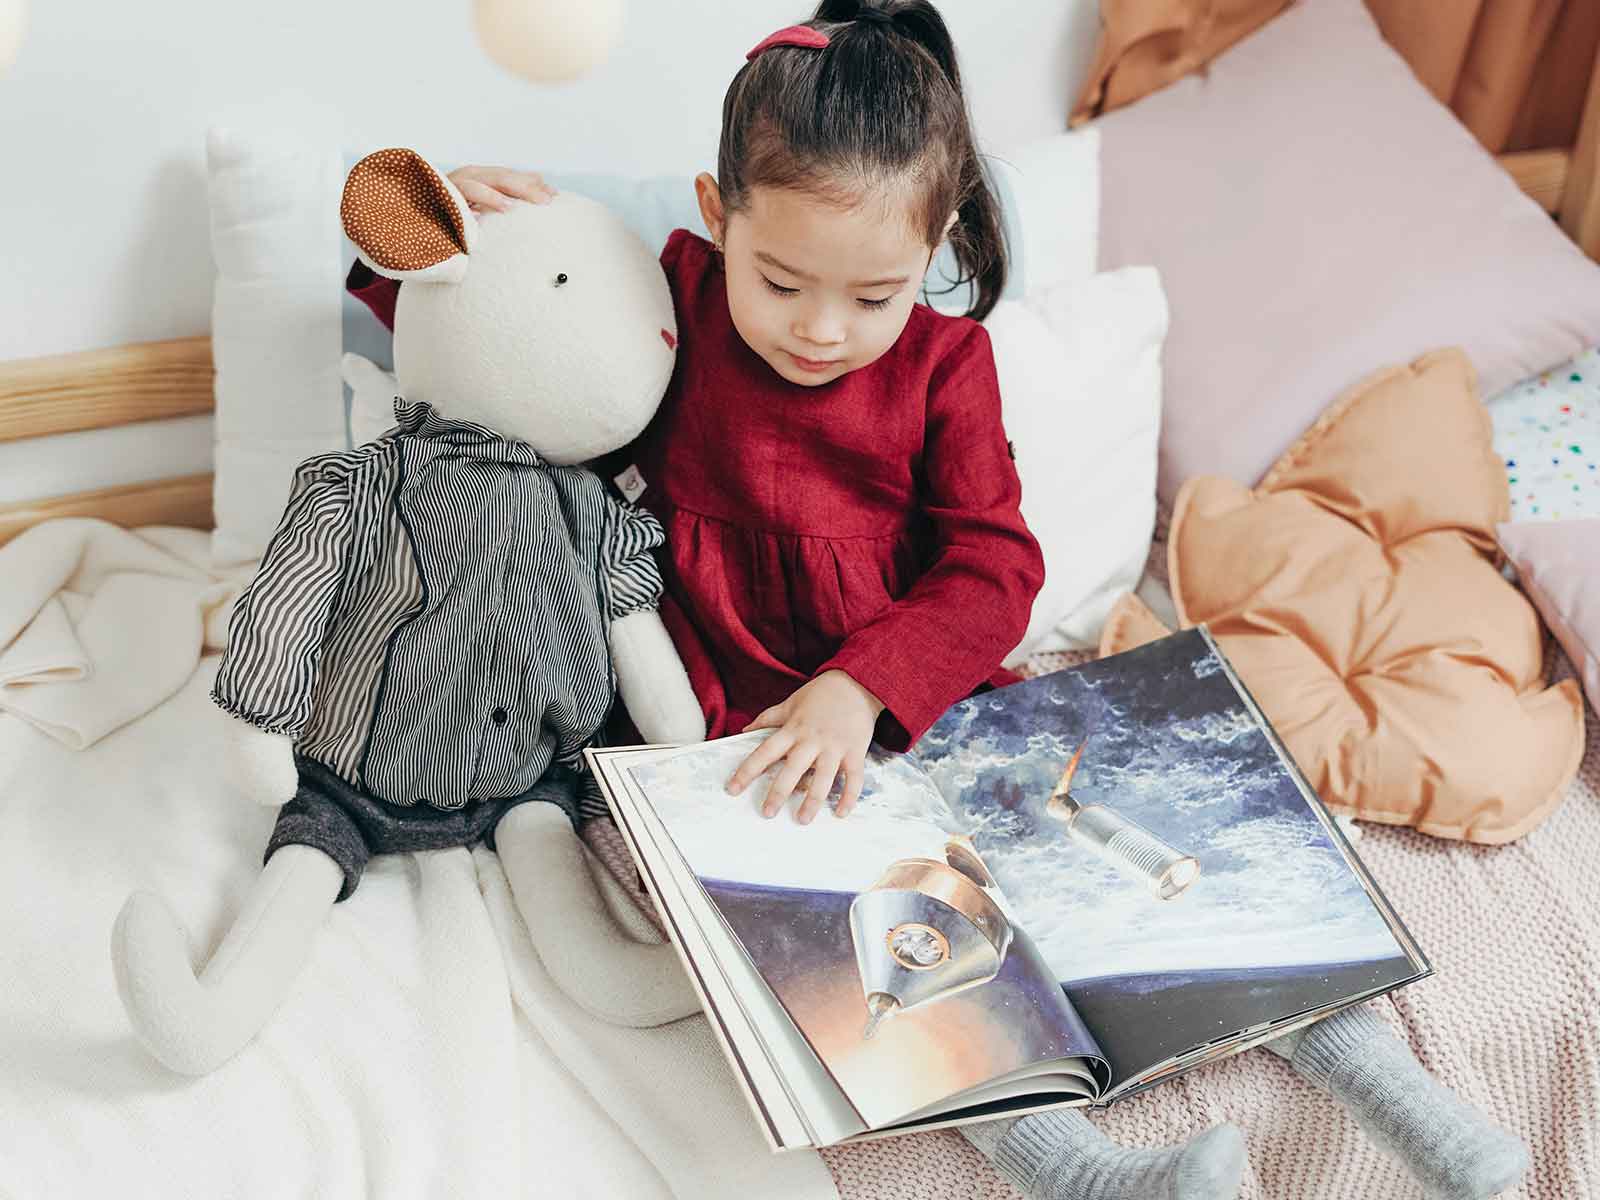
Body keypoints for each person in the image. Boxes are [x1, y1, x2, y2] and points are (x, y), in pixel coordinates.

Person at [348, 4, 1529, 1198]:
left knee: (1168, 875)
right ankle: (1080, 1173)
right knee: (902, 957)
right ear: (717, 217)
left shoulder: (943, 366)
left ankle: (1429, 1124)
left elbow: (995, 565)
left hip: (922, 694)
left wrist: (864, 688)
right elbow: (511, 354)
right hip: (748, 738)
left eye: (873, 295)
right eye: (783, 280)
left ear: (935, 248)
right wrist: (457, 231)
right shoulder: (675, 298)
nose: (821, 329)